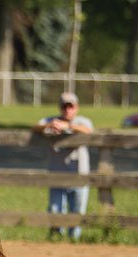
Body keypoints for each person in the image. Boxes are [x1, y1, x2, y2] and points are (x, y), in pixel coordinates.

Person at [33, 91, 94, 240]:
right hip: (56, 174)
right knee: (55, 209)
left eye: (71, 106)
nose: (67, 110)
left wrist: (68, 126)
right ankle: (56, 237)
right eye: (64, 106)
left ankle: (74, 238)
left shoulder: (82, 121)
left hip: (79, 175)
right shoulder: (51, 120)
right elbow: (36, 127)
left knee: (77, 210)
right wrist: (51, 125)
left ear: (76, 107)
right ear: (60, 107)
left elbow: (88, 131)